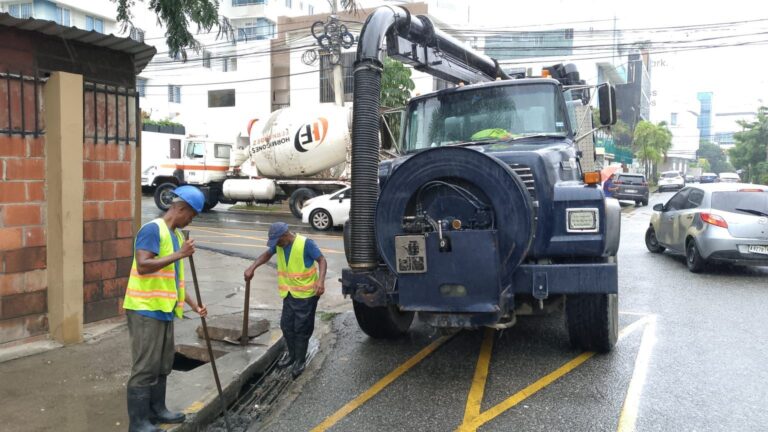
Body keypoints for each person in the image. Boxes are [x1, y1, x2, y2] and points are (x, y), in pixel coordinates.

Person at [123, 186, 208, 432]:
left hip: (164, 309)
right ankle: (138, 423)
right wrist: (180, 254)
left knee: (162, 364)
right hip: (145, 309)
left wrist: (194, 305)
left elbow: (174, 279)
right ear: (180, 209)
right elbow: (144, 265)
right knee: (145, 367)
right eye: (191, 216)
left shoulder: (177, 236)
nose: (190, 220)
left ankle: (157, 410)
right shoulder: (153, 230)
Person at [244, 222, 327, 378]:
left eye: (278, 241)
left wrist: (320, 281)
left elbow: (322, 260)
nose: (276, 245)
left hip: (306, 295)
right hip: (289, 294)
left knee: (301, 329)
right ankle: (292, 356)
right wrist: (252, 267)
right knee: (287, 326)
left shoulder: (305, 244)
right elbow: (267, 254)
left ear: (285, 235)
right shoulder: (280, 245)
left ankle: (300, 361)